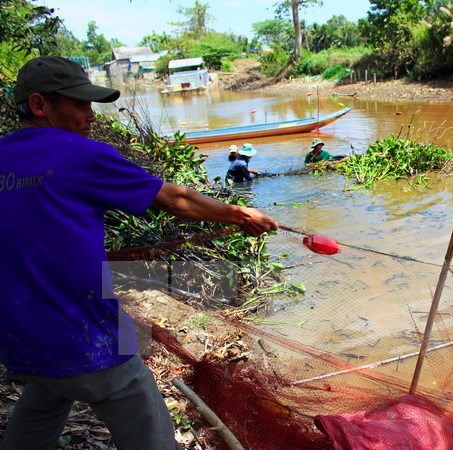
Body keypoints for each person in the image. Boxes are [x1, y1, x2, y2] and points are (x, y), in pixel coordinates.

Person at [0, 56, 278, 450]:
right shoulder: (80, 154)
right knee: (140, 405)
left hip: (18, 342)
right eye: (79, 104)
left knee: (46, 393)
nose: (91, 116)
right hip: (85, 337)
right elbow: (172, 198)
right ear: (40, 105)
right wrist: (236, 213)